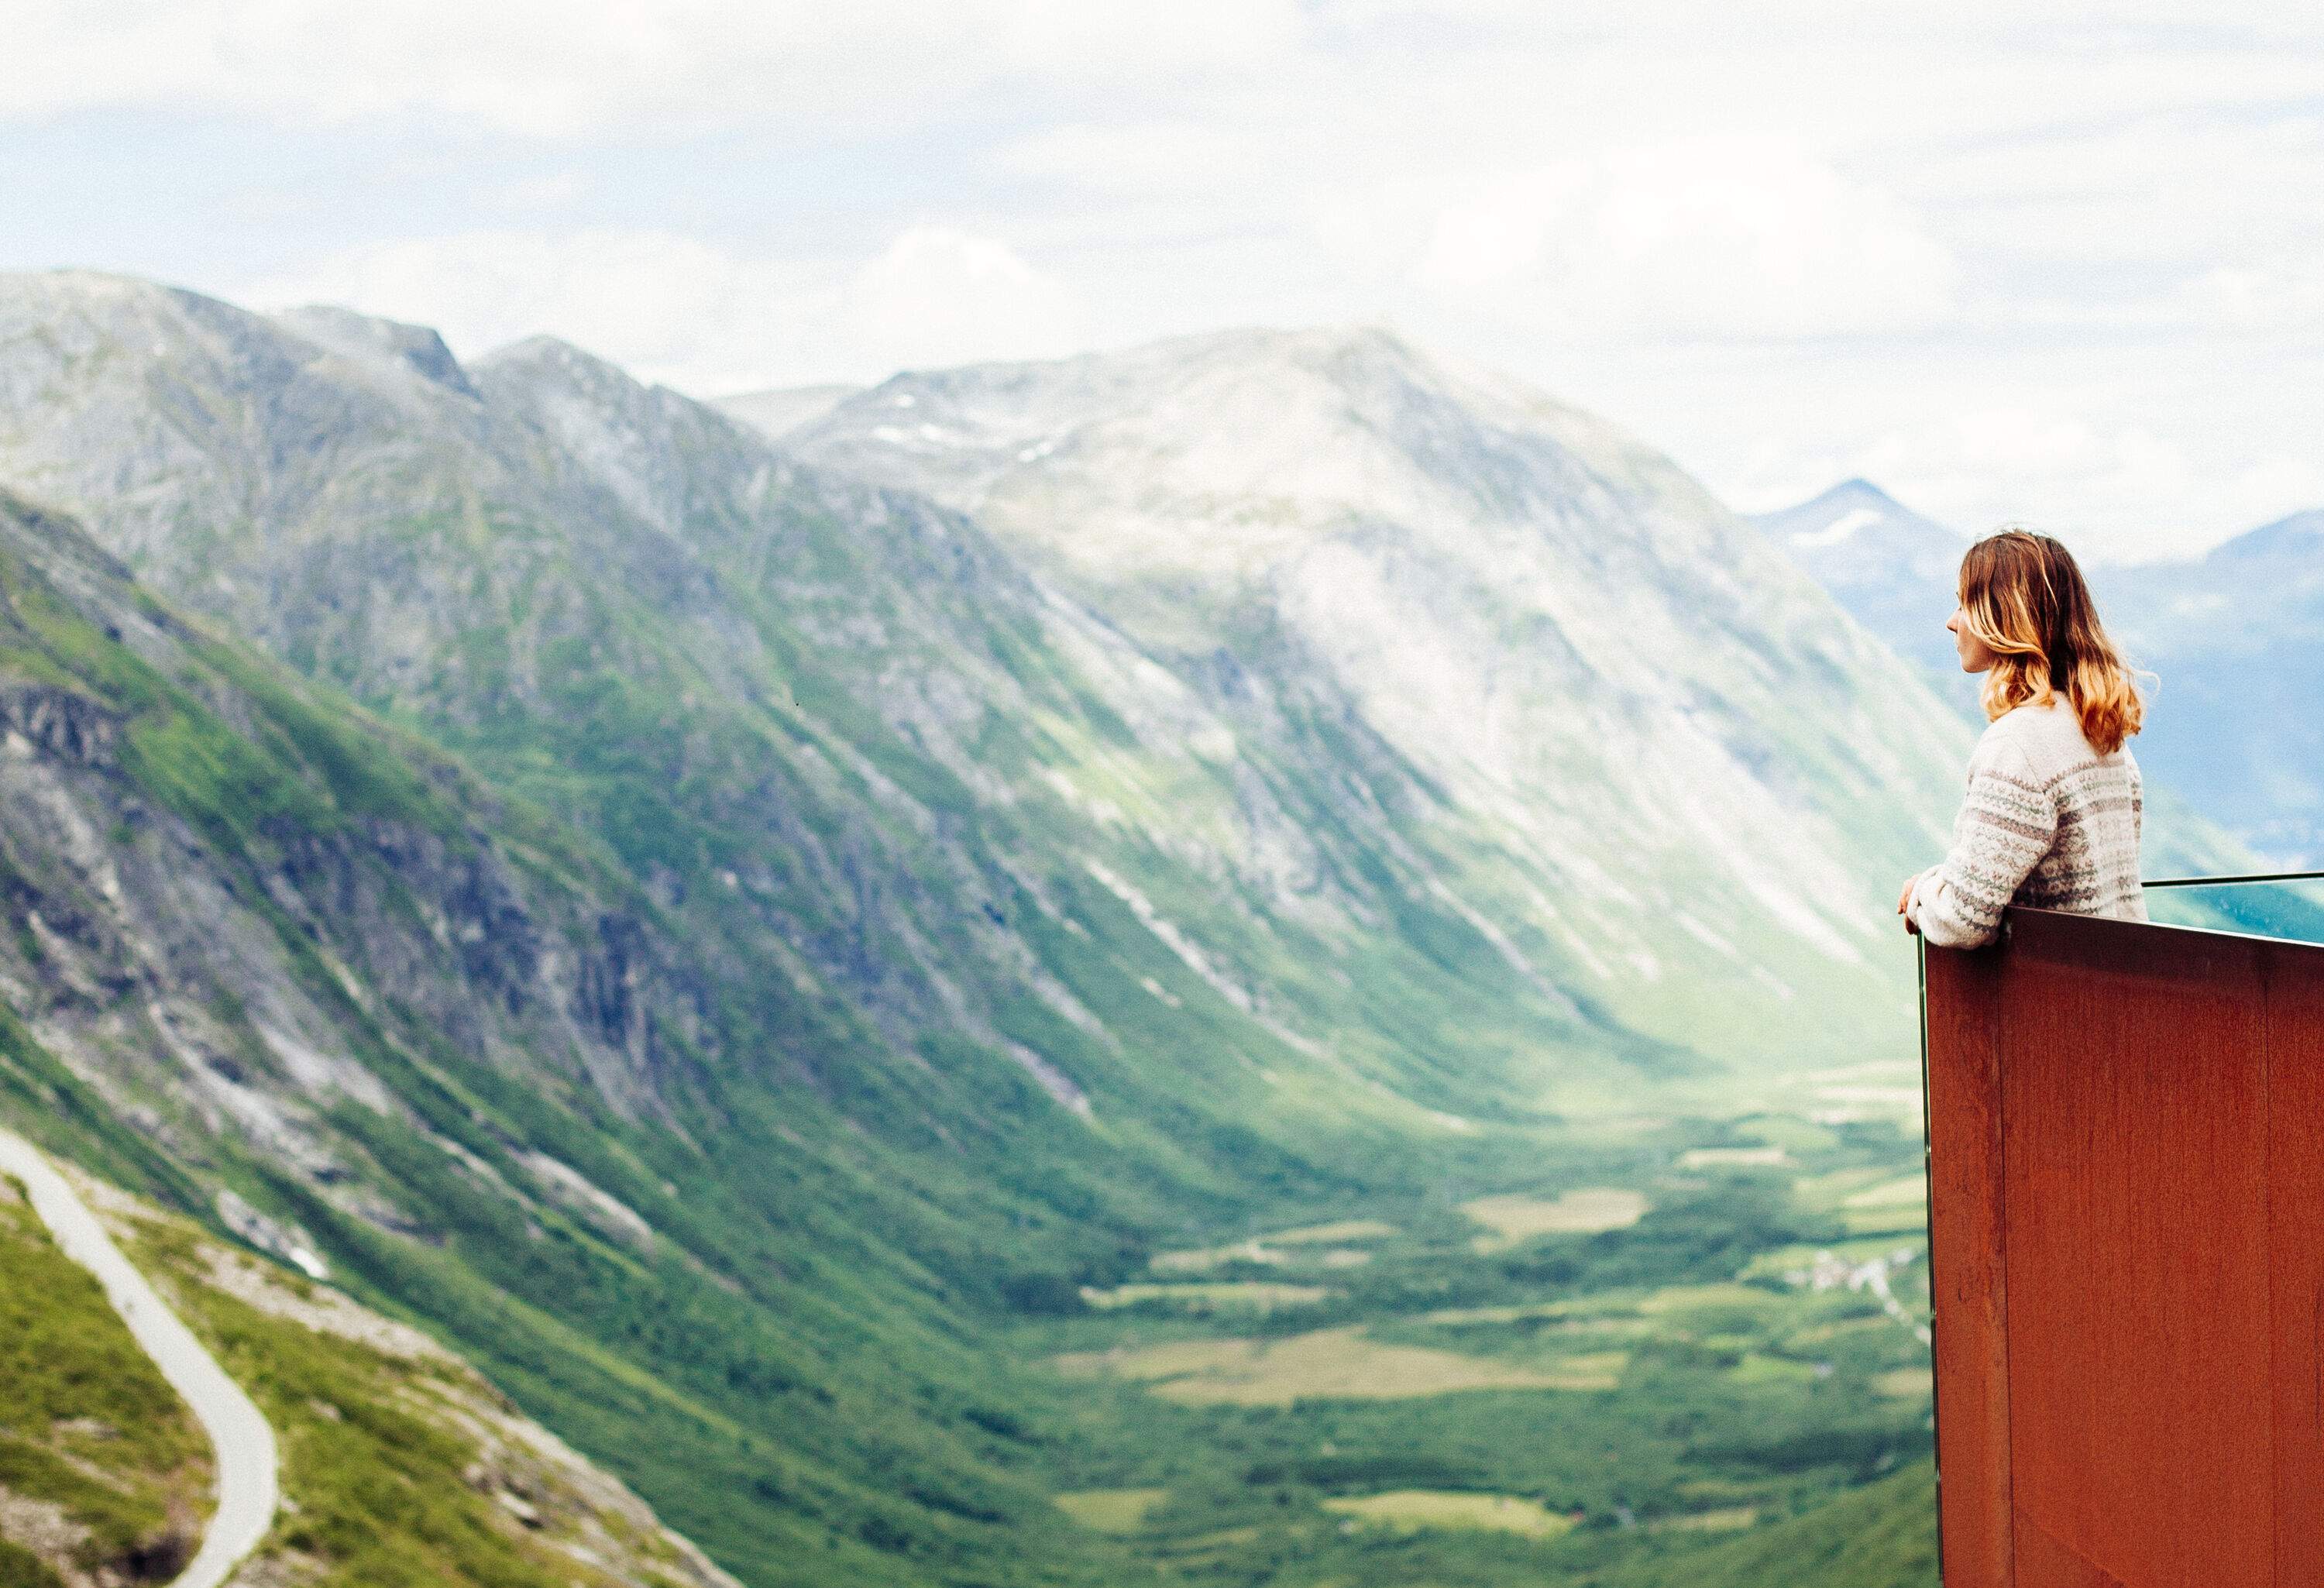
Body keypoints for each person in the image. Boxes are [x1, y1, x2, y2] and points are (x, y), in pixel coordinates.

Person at [1898, 529, 2147, 947]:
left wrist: (1923, 893)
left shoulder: (2017, 745)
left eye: (1965, 605)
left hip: (2054, 1001)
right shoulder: (2102, 732)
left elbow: (1964, 918)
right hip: (2119, 993)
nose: (1951, 621)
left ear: (2004, 619)